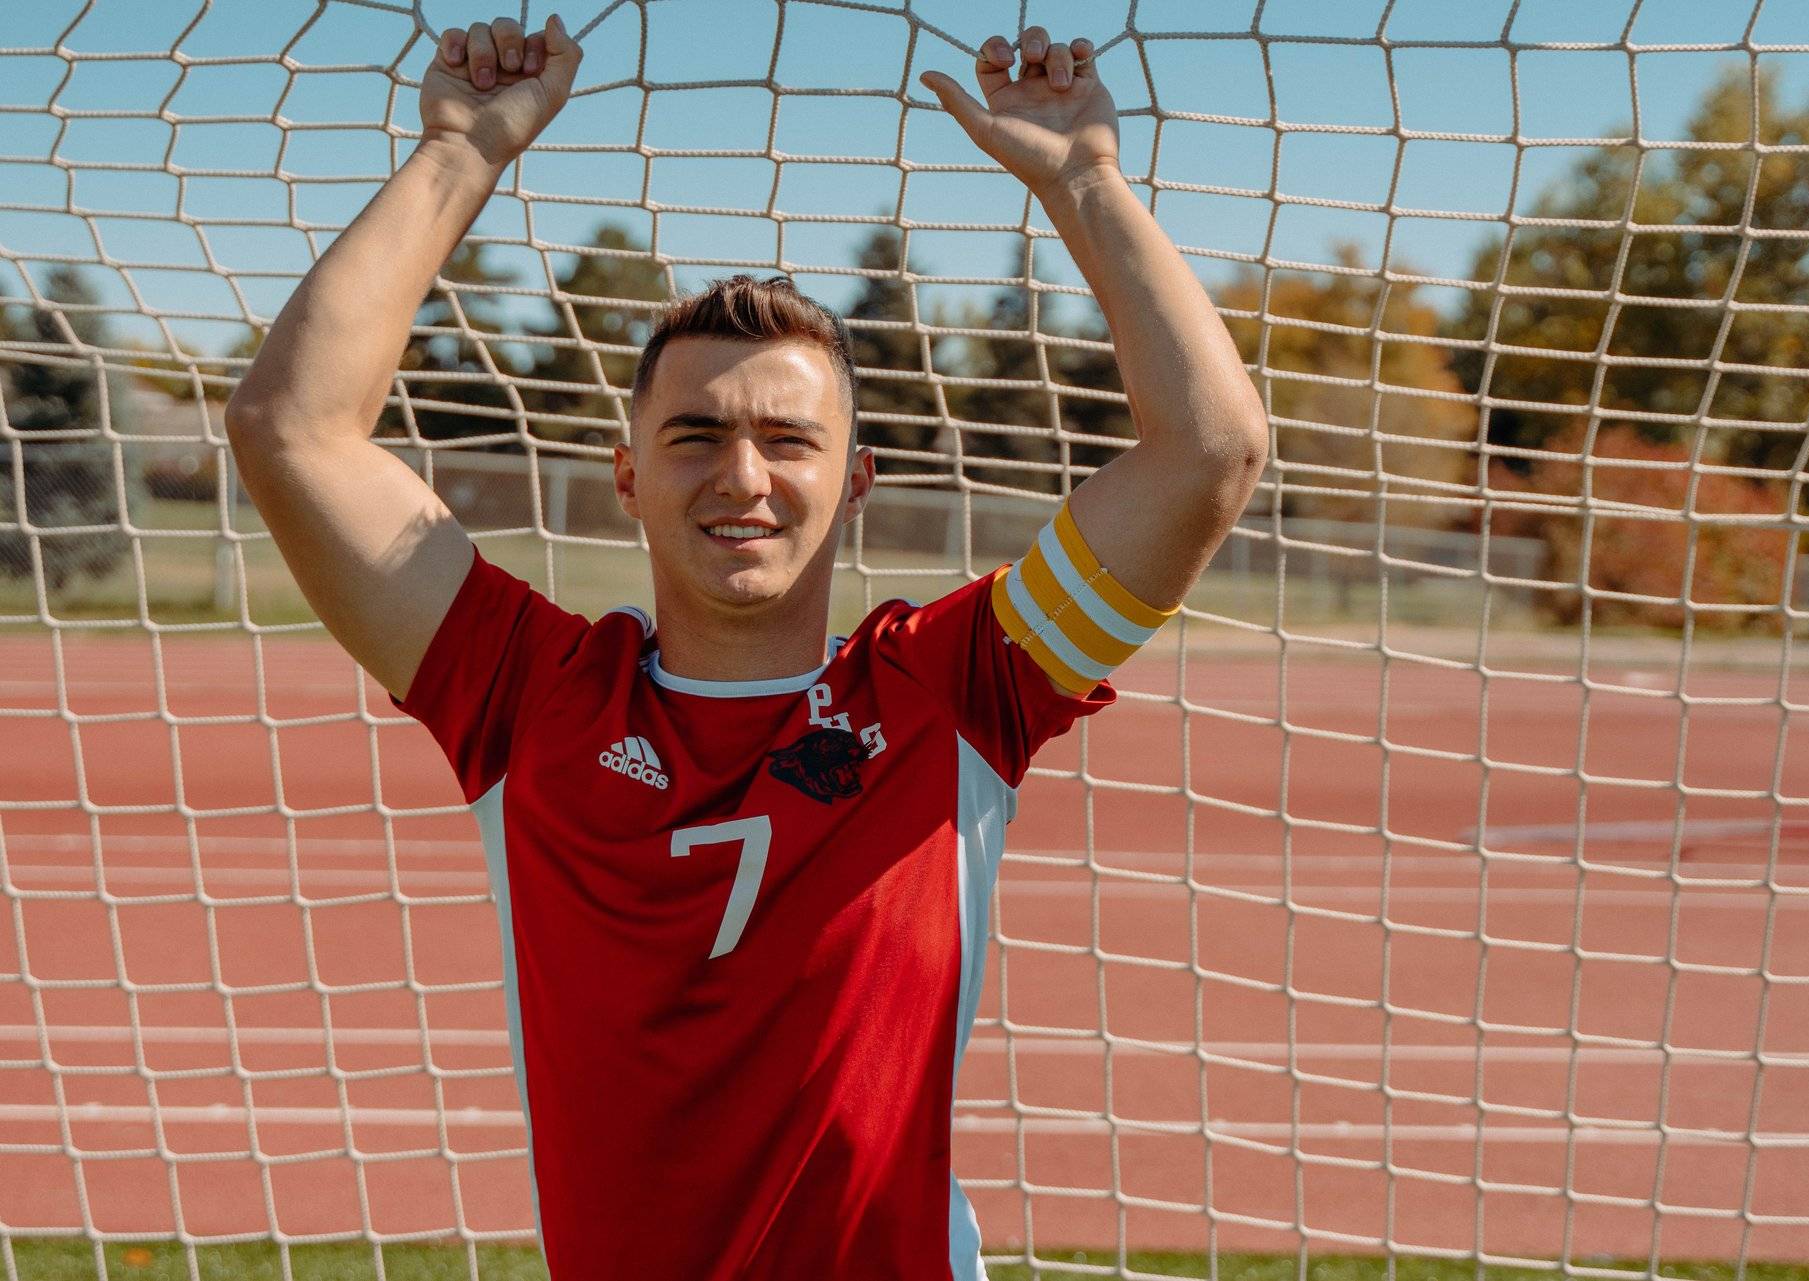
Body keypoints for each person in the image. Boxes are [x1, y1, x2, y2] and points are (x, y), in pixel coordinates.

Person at [224, 12, 1266, 1279]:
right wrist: (457, 155)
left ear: (862, 477)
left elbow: (1210, 452)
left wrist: (1089, 183)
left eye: (789, 439)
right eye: (694, 436)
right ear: (624, 476)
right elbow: (292, 431)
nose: (743, 476)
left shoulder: (961, 688)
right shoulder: (525, 695)